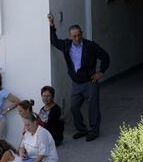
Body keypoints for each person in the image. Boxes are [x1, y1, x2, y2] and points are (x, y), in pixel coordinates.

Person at [47, 13, 110, 142]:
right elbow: (54, 41)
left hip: (90, 81)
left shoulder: (91, 46)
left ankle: (94, 131)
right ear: (70, 36)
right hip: (76, 83)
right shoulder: (66, 45)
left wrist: (101, 72)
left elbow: (105, 57)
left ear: (81, 34)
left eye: (79, 35)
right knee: (74, 108)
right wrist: (51, 25)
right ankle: (81, 129)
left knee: (93, 107)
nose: (77, 38)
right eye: (74, 36)